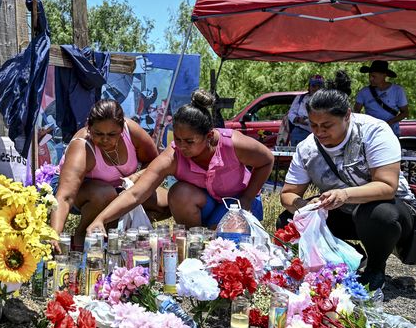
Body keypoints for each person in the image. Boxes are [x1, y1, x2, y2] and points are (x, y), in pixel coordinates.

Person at [279, 89, 416, 290]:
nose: (319, 132)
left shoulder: (374, 132)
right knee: (289, 220)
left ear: (347, 115)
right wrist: (305, 206)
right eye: (313, 125)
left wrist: (344, 195)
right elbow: (288, 194)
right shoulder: (306, 148)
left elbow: (387, 186)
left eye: (327, 125)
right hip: (344, 211)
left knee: (380, 215)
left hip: (391, 211)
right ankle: (350, 255)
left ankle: (375, 268)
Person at [87, 91, 274, 231]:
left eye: (189, 141)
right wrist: (100, 220)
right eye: (177, 139)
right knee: (178, 192)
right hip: (205, 205)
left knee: (225, 241)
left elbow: (267, 160)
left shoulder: (233, 144)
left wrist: (248, 197)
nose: (182, 146)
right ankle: (195, 240)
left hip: (238, 204)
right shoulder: (174, 155)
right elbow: (137, 194)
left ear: (209, 136)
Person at [50, 99, 166, 248]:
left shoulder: (132, 131)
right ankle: (82, 235)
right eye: (98, 133)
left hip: (120, 189)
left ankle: (118, 227)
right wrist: (54, 235)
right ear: (89, 127)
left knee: (165, 203)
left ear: (122, 129)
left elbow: (155, 164)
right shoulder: (82, 147)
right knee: (105, 194)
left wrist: (137, 177)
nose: (105, 139)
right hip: (81, 193)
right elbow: (65, 196)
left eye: (112, 134)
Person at [353, 60, 409, 135]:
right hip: (370, 134)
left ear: (384, 75)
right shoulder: (364, 92)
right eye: (369, 76)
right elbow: (356, 114)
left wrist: (388, 123)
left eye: (373, 76)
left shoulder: (397, 90)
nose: (370, 79)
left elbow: (405, 113)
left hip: (392, 133)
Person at [287, 75, 324, 146]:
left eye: (319, 86)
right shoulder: (300, 98)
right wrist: (298, 120)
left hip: (320, 133)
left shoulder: (327, 100)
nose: (316, 88)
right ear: (309, 87)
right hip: (300, 132)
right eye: (313, 86)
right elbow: (291, 114)